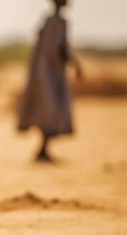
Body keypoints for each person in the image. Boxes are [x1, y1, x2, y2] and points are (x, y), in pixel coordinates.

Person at [18, 0, 83, 162]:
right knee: (51, 111)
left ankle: (43, 149)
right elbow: (60, 49)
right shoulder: (59, 22)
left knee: (48, 111)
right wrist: (75, 64)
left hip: (43, 72)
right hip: (51, 74)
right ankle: (43, 150)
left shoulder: (47, 21)